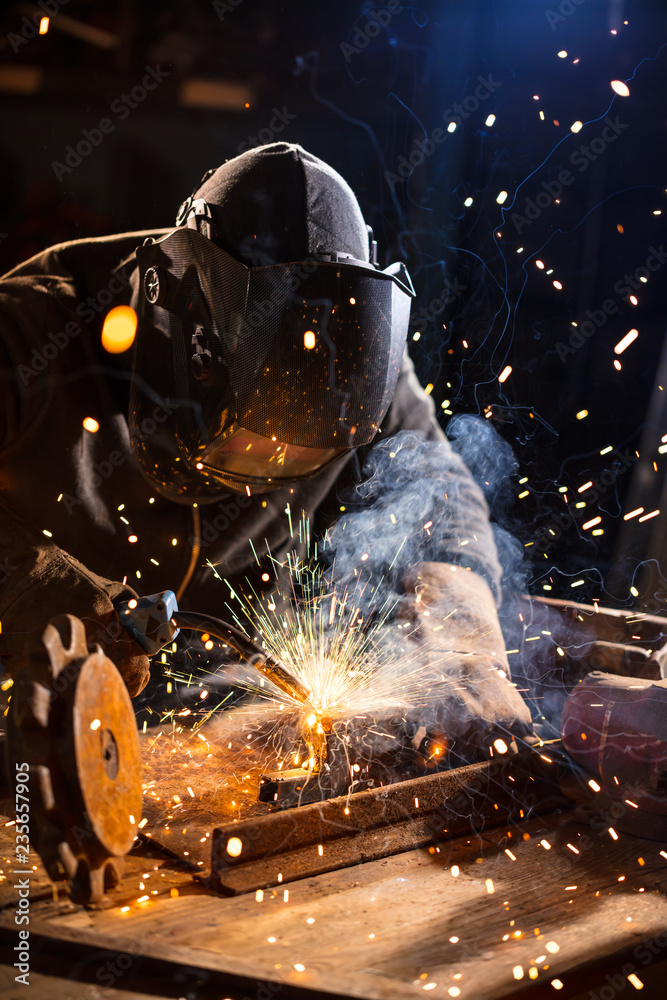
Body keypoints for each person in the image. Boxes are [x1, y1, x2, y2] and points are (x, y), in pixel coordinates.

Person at [0, 142, 532, 749]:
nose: (256, 484)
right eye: (243, 449)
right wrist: (25, 583)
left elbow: (442, 498)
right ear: (184, 339)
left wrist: (464, 649)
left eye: (297, 465)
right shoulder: (31, 335)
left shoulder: (348, 359)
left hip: (217, 726)